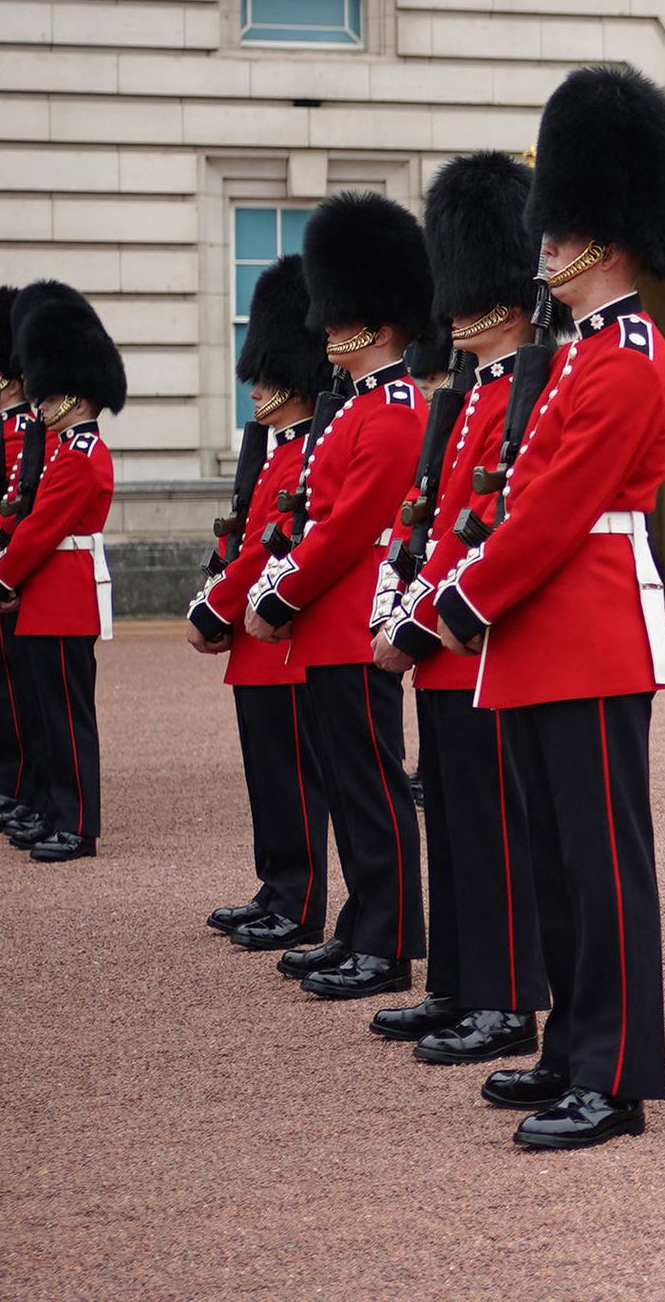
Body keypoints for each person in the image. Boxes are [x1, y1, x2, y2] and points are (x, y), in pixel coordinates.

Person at [423, 64, 665, 1150]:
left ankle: (616, 1074)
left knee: (599, 860)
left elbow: (549, 516)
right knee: (554, 860)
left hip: (585, 628)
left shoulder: (625, 359)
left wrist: (450, 605)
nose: (542, 245)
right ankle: (569, 1049)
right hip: (542, 631)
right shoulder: (573, 355)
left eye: (562, 227)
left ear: (609, 237)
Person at [368, 152, 548, 1068]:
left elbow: (501, 516)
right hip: (443, 632)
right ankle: (457, 978)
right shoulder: (471, 390)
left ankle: (509, 996)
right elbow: (434, 514)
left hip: (480, 635)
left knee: (492, 826)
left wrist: (429, 610)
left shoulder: (527, 382)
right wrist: (404, 596)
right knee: (451, 819)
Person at [247, 193, 431, 999]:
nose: (324, 328)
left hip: (357, 620)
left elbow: (349, 526)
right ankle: (362, 921)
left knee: (370, 786)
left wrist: (280, 591)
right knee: (346, 782)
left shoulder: (392, 409)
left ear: (378, 321)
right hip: (326, 625)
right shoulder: (351, 407)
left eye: (339, 313)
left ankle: (388, 939)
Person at [187, 255, 331, 954]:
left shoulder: (306, 450)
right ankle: (275, 885)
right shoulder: (275, 449)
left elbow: (267, 552)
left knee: (291, 777)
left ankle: (298, 899)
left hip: (281, 633)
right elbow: (242, 534)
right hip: (256, 637)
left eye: (269, 375)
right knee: (266, 776)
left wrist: (216, 602)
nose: (257, 387)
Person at [0, 284, 126, 863]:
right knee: (45, 718)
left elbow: (40, 530)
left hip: (64, 598)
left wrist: (0, 575)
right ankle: (53, 810)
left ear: (79, 397)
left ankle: (77, 824)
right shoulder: (65, 450)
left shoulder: (84, 456)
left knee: (67, 720)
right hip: (47, 597)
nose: (40, 403)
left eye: (51, 392)